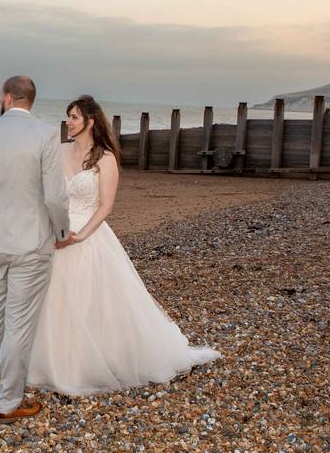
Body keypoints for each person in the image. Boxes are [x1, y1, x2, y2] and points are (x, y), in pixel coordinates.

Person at [27, 95, 221, 395]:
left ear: (90, 121)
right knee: (52, 299)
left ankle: (91, 362)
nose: (69, 121)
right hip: (55, 233)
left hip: (87, 236)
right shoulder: (59, 150)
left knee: (88, 300)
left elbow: (105, 207)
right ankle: (54, 361)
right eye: (68, 116)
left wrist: (81, 235)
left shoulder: (105, 159)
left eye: (75, 117)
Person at [0, 75, 71, 423]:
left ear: (6, 97)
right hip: (32, 242)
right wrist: (60, 231)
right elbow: (55, 195)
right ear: (31, 100)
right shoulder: (45, 134)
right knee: (19, 324)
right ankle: (9, 403)